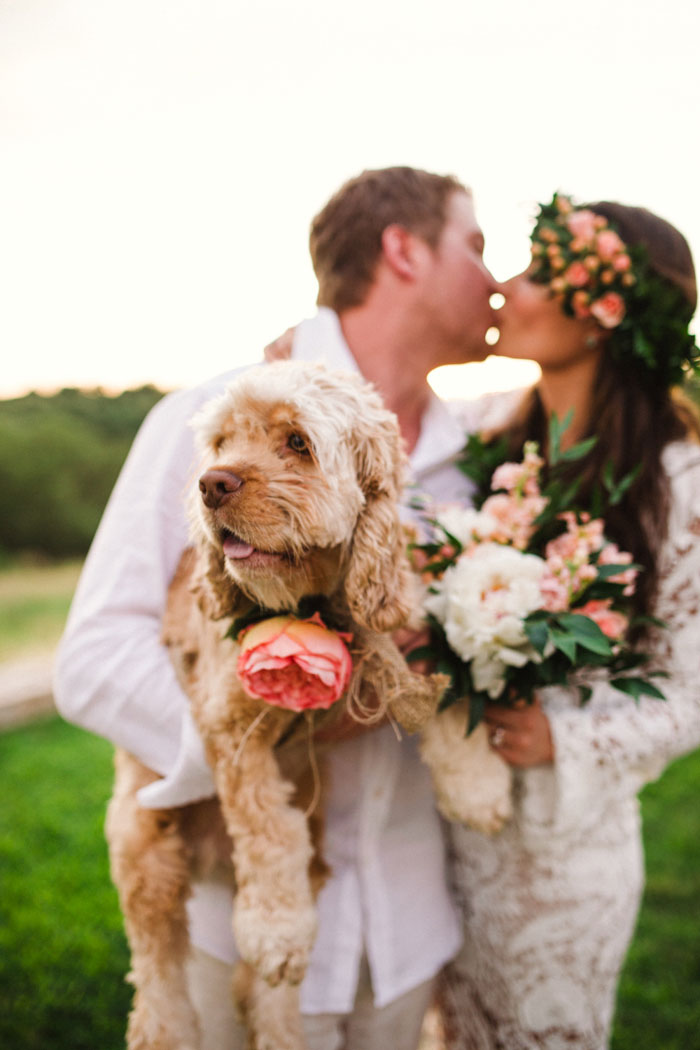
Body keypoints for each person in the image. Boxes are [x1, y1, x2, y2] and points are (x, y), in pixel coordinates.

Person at [53, 165, 500, 1050]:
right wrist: (259, 727)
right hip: (232, 925)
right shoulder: (204, 419)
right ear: (403, 252)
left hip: (410, 937)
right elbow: (92, 659)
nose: (497, 281)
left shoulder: (469, 456)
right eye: (477, 248)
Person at [440, 194, 700, 1049]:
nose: (507, 289)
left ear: (601, 312)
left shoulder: (682, 479)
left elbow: (689, 694)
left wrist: (560, 737)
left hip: (566, 860)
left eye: (537, 272)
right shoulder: (482, 438)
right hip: (444, 835)